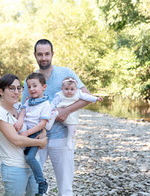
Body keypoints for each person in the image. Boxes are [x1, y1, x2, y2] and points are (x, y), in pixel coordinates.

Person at [21, 39, 92, 196]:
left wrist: (66, 111)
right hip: (37, 138)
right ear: (35, 55)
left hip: (61, 137)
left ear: (52, 54)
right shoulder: (31, 80)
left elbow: (87, 96)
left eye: (47, 54)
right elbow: (23, 108)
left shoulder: (66, 73)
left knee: (65, 186)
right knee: (32, 184)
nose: (44, 58)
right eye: (40, 54)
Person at [0, 74, 47, 196]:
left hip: (33, 164)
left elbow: (37, 122)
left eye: (19, 88)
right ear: (1, 91)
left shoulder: (19, 106)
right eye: (11, 88)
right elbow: (16, 140)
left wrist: (43, 133)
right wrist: (40, 143)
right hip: (14, 167)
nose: (16, 92)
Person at [14, 72, 51, 195]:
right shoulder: (29, 101)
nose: (31, 89)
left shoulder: (46, 104)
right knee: (24, 155)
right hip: (27, 131)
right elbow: (23, 111)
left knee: (30, 157)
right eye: (29, 87)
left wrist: (27, 133)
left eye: (35, 86)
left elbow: (42, 124)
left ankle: (42, 182)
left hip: (36, 133)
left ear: (43, 87)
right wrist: (20, 120)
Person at [45, 77, 103, 150]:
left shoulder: (78, 93)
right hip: (59, 114)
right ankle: (49, 123)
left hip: (71, 116)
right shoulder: (59, 95)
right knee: (53, 113)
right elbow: (53, 103)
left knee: (72, 128)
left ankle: (70, 140)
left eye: (72, 89)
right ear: (62, 88)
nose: (69, 91)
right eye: (66, 89)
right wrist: (50, 110)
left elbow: (86, 97)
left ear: (76, 89)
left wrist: (95, 98)